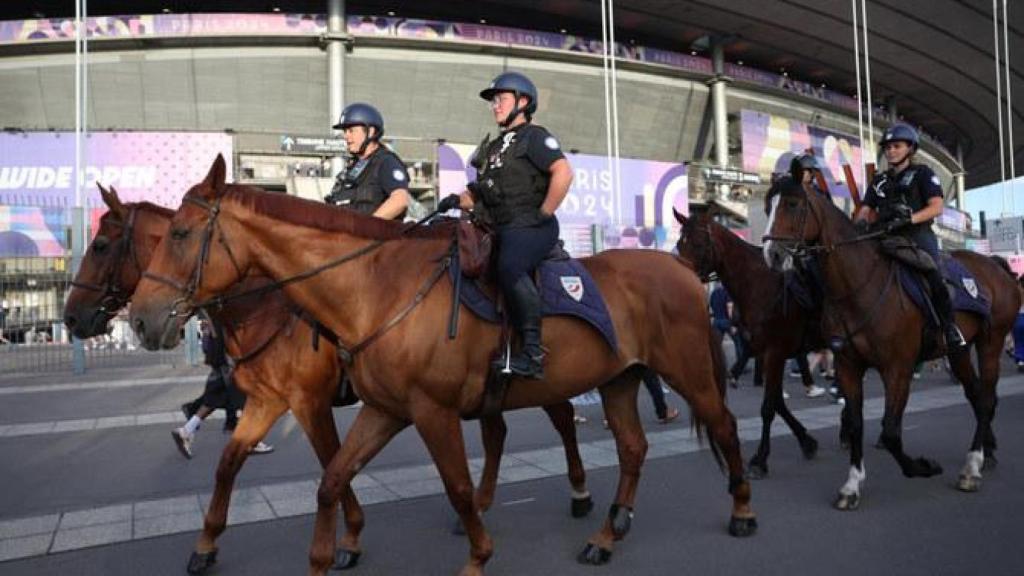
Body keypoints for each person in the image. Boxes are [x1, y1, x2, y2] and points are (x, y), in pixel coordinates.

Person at [436, 71, 573, 378]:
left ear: (523, 102)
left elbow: (563, 173)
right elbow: (480, 193)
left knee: (509, 266)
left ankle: (534, 353)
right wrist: (456, 200)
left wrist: (545, 213)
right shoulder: (496, 147)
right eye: (493, 101)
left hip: (532, 226)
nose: (494, 105)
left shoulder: (536, 137)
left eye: (501, 99)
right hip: (502, 225)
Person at [853, 123, 966, 349]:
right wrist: (861, 222)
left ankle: (949, 328)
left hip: (917, 237)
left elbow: (936, 207)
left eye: (897, 146)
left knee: (934, 274)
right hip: (883, 238)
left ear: (910, 149)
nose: (891, 151)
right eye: (888, 147)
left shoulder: (923, 174)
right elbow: (865, 209)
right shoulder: (879, 180)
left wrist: (909, 219)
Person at [173, 319, 274, 459]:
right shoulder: (221, 306)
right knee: (248, 399)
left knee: (214, 399)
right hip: (229, 359)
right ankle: (251, 441)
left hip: (222, 357)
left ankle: (186, 431)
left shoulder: (214, 309)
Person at [324, 102, 410, 220]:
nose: (346, 136)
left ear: (370, 132)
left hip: (375, 237)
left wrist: (367, 227)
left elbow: (399, 200)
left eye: (351, 130)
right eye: (345, 131)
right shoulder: (353, 168)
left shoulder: (386, 162)